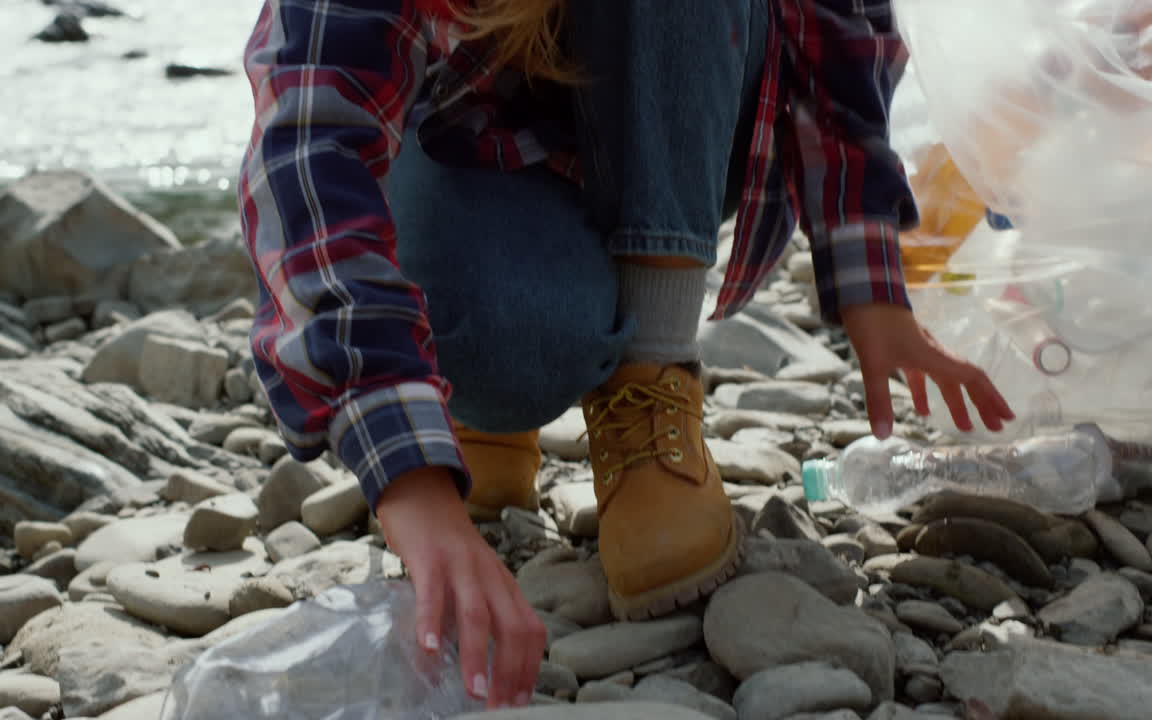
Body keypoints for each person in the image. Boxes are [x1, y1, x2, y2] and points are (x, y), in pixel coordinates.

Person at [238, 0, 1015, 709]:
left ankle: (653, 369)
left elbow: (839, 22)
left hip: (690, 109)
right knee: (505, 337)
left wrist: (866, 265)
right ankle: (479, 403)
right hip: (469, 145)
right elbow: (309, 141)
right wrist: (408, 475)